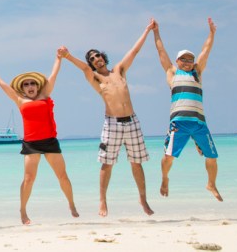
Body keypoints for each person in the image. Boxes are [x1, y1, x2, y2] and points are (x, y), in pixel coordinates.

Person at [61, 19, 155, 217]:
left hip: (132, 121)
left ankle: (143, 199)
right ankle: (102, 200)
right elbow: (84, 69)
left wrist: (147, 30)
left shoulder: (119, 71)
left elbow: (134, 51)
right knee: (107, 163)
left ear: (103, 57)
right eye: (92, 58)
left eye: (97, 55)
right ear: (92, 64)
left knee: (136, 162)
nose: (96, 59)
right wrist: (67, 56)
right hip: (112, 124)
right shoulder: (96, 78)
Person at [0, 53, 79, 225]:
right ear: (22, 88)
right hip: (31, 144)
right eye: (26, 84)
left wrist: (59, 58)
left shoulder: (45, 95)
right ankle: (23, 210)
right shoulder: (19, 99)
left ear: (37, 85)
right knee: (29, 179)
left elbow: (53, 75)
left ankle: (71, 204)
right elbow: (3, 85)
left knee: (63, 176)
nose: (30, 86)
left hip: (50, 141)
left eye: (32, 83)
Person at [152, 17, 222, 201]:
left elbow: (205, 50)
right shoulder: (173, 73)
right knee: (168, 157)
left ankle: (211, 184)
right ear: (177, 60)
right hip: (179, 124)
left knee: (212, 156)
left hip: (199, 123)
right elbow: (161, 51)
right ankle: (165, 178)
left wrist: (212, 33)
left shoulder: (197, 73)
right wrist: (156, 32)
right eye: (184, 59)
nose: (188, 62)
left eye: (191, 59)